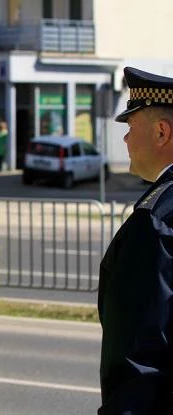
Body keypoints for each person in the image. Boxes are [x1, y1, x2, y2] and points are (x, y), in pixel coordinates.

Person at [98, 67, 173, 414]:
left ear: (161, 132)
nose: (125, 141)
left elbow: (140, 358)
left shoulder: (156, 219)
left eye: (130, 128)